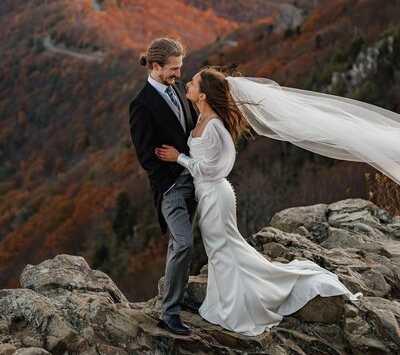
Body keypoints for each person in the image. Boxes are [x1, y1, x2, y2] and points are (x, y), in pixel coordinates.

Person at [156, 67, 400, 336]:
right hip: (207, 194)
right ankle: (229, 298)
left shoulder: (215, 126)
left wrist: (179, 158)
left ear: (203, 95)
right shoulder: (203, 119)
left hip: (216, 194)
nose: (187, 84)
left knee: (222, 249)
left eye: (193, 82)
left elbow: (220, 167)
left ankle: (241, 305)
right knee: (221, 249)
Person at [129, 37, 198, 336]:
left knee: (181, 245)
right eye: (173, 68)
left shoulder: (180, 89)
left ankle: (177, 300)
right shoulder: (141, 104)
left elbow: (192, 126)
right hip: (171, 186)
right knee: (183, 243)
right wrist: (168, 187)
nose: (178, 74)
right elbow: (146, 156)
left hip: (195, 179)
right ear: (156, 66)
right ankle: (169, 314)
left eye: (180, 68)